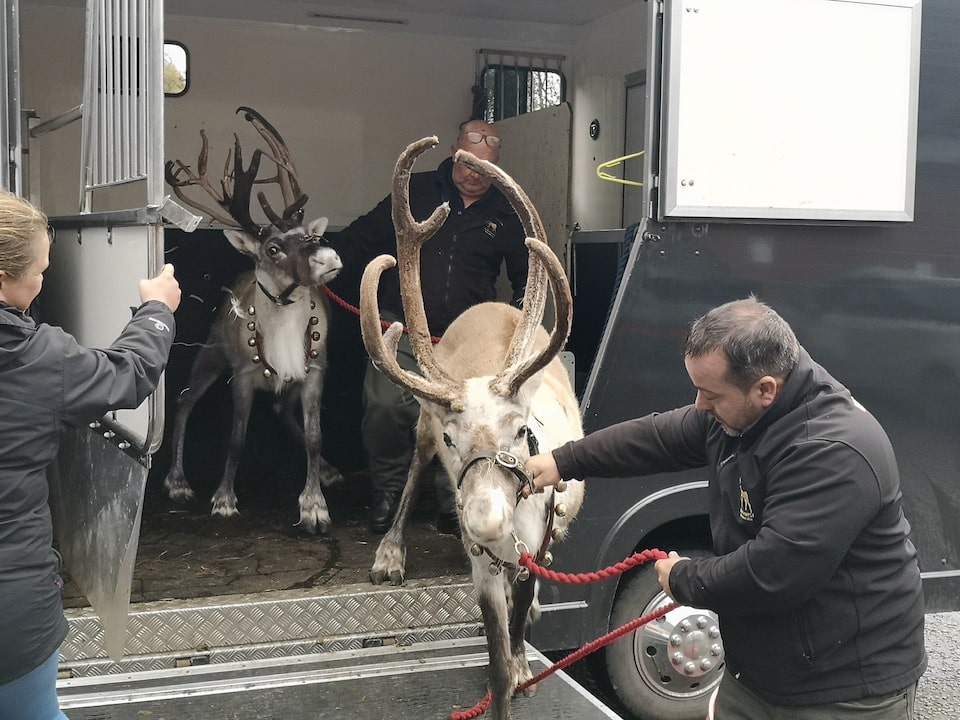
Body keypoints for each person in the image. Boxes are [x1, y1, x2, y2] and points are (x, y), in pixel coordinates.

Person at [525, 297, 927, 719]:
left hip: (843, 690)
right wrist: (562, 461)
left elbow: (771, 573)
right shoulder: (739, 415)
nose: (699, 405)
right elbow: (656, 438)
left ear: (765, 389)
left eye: (710, 394)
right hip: (755, 675)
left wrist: (682, 578)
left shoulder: (834, 451)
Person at [0, 189, 181, 720]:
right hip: (11, 611)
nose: (41, 282)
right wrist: (156, 309)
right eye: (40, 270)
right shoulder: (35, 356)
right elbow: (128, 374)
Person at [331, 119, 528, 535]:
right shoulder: (415, 191)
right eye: (469, 163)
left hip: (466, 339)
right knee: (384, 407)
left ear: (497, 168)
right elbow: (365, 234)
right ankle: (388, 490)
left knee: (465, 420)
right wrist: (321, 257)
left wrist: (520, 329)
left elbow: (527, 275)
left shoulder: (507, 213)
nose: (475, 173)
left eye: (486, 167)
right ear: (455, 151)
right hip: (402, 328)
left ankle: (451, 503)